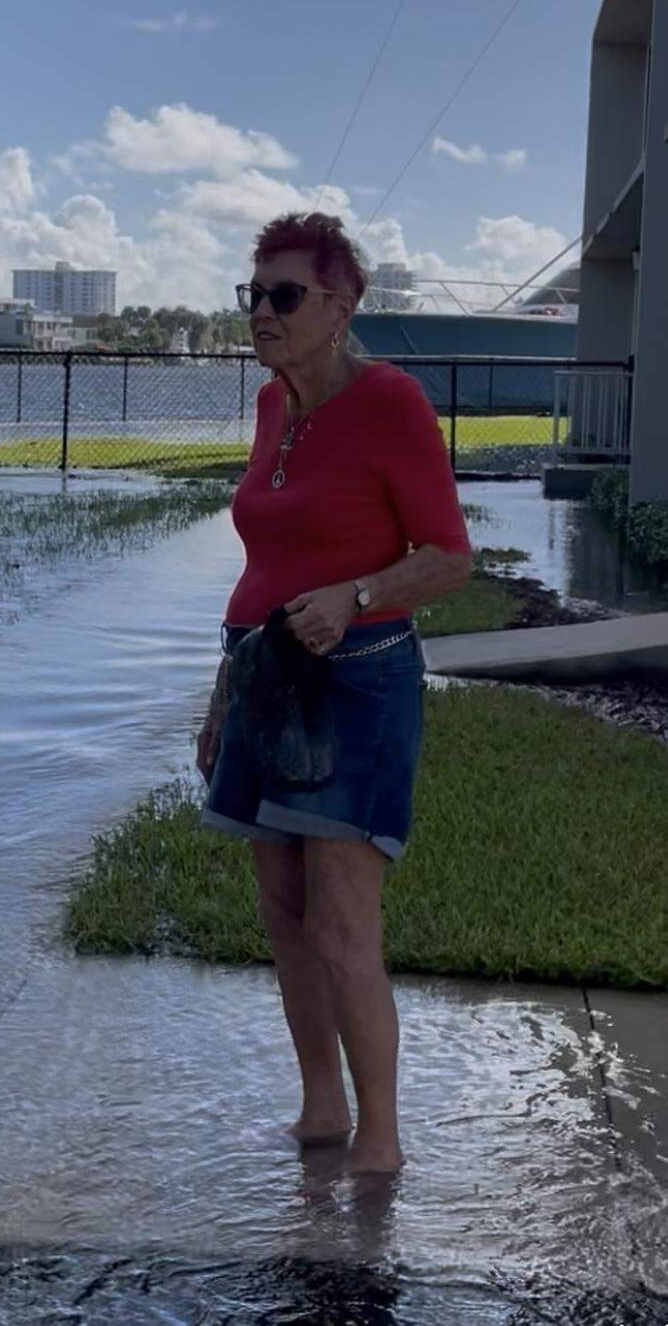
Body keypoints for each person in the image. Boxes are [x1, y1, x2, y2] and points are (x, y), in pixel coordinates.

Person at [197, 212, 471, 1176]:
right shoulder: (274, 406)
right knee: (282, 909)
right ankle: (321, 1107)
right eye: (254, 295)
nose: (262, 315)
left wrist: (355, 595)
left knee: (344, 920)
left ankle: (381, 1138)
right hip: (263, 674)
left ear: (341, 306)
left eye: (284, 296)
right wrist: (224, 692)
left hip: (355, 681)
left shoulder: (390, 403)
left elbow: (449, 558)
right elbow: (266, 563)